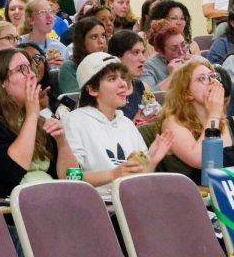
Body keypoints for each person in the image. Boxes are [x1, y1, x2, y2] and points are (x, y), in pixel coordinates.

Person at [0, 48, 79, 197]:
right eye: (22, 69)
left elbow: (71, 178)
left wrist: (62, 141)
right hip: (9, 211)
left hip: (49, 201)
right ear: (0, 81)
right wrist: (32, 116)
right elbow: (11, 172)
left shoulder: (36, 121)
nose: (32, 75)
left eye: (31, 68)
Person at [62, 52, 174, 197]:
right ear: (92, 89)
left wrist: (151, 161)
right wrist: (114, 174)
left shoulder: (126, 124)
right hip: (97, 207)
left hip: (131, 202)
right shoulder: (74, 121)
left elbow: (138, 180)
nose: (123, 84)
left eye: (122, 77)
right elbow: (70, 177)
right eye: (112, 79)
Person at [155, 59, 234, 182]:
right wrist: (214, 115)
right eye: (202, 78)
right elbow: (203, 160)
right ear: (187, 93)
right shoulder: (172, 123)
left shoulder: (233, 124)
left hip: (230, 196)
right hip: (192, 198)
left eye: (212, 76)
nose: (211, 82)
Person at [108, 28, 159, 124]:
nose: (143, 59)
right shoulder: (108, 92)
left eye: (142, 52)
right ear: (117, 56)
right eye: (136, 52)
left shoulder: (143, 87)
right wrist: (134, 125)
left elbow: (154, 115)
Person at [58, 16, 109, 95]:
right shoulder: (69, 67)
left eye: (103, 36)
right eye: (94, 37)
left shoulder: (110, 63)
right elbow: (77, 100)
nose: (101, 41)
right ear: (81, 41)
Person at [142, 19, 191, 91]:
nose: (181, 52)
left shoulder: (195, 60)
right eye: (174, 48)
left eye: (183, 45)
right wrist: (173, 76)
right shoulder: (147, 67)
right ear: (160, 51)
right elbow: (149, 97)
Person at [19, 0, 66, 68]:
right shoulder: (18, 44)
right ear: (31, 20)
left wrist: (64, 67)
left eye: (51, 11)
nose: (49, 16)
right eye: (43, 12)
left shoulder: (60, 47)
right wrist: (42, 67)